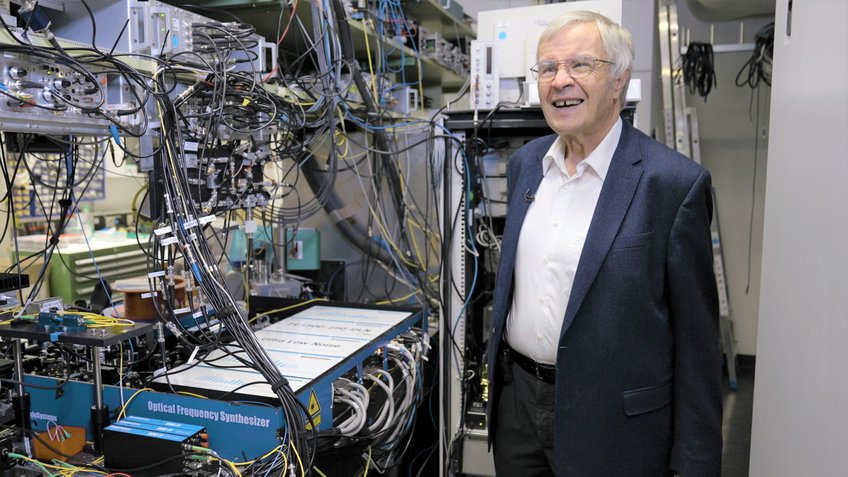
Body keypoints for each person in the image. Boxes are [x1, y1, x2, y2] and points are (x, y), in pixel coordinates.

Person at [485, 10, 723, 477]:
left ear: (618, 80)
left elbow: (697, 349)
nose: (559, 81)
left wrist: (695, 464)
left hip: (613, 424)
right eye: (548, 68)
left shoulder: (673, 184)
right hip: (518, 410)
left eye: (579, 65)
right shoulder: (528, 165)